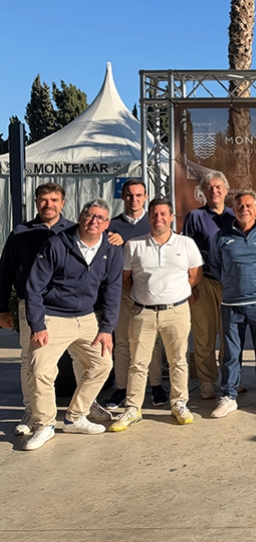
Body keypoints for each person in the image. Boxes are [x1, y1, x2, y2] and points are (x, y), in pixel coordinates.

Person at [0, 183, 111, 437]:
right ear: (36, 202)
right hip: (32, 306)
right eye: (43, 200)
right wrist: (2, 307)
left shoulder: (75, 231)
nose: (48, 204)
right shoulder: (21, 232)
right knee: (31, 359)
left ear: (63, 203)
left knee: (84, 359)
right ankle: (31, 412)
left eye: (54, 200)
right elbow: (5, 271)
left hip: (71, 308)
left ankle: (84, 406)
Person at [22, 199, 123, 451]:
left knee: (102, 364)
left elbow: (112, 290)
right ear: (80, 216)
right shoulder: (57, 244)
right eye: (89, 216)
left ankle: (75, 417)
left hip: (87, 318)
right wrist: (38, 325)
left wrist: (107, 329)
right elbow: (34, 287)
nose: (93, 221)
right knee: (40, 370)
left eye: (100, 218)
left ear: (107, 223)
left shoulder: (110, 249)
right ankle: (44, 424)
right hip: (53, 317)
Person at [109, 198, 204, 431]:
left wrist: (176, 292)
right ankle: (132, 408)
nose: (158, 218)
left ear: (172, 217)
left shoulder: (186, 244)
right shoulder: (134, 245)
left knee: (178, 361)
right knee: (138, 363)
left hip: (177, 311)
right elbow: (126, 279)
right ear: (148, 217)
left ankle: (179, 404)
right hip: (143, 313)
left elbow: (195, 275)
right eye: (154, 214)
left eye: (163, 214)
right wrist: (147, 296)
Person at [207, 191, 256, 418]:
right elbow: (214, 265)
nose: (244, 209)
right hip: (231, 304)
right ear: (234, 209)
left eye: (249, 205)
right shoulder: (222, 237)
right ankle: (229, 396)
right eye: (239, 205)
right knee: (231, 353)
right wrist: (232, 282)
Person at [104, 178, 168, 410]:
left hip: (148, 291)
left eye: (139, 195)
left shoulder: (154, 223)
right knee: (122, 342)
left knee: (152, 342)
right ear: (123, 197)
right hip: (120, 292)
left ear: (145, 196)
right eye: (130, 195)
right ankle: (122, 388)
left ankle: (156, 386)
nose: (134, 199)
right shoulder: (111, 225)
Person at [182, 171, 234, 400]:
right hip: (203, 283)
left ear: (226, 190)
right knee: (204, 336)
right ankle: (206, 381)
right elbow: (185, 252)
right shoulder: (194, 216)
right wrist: (191, 284)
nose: (214, 191)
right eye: (209, 187)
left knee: (230, 336)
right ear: (203, 192)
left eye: (218, 186)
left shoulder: (236, 216)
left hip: (231, 285)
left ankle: (231, 380)